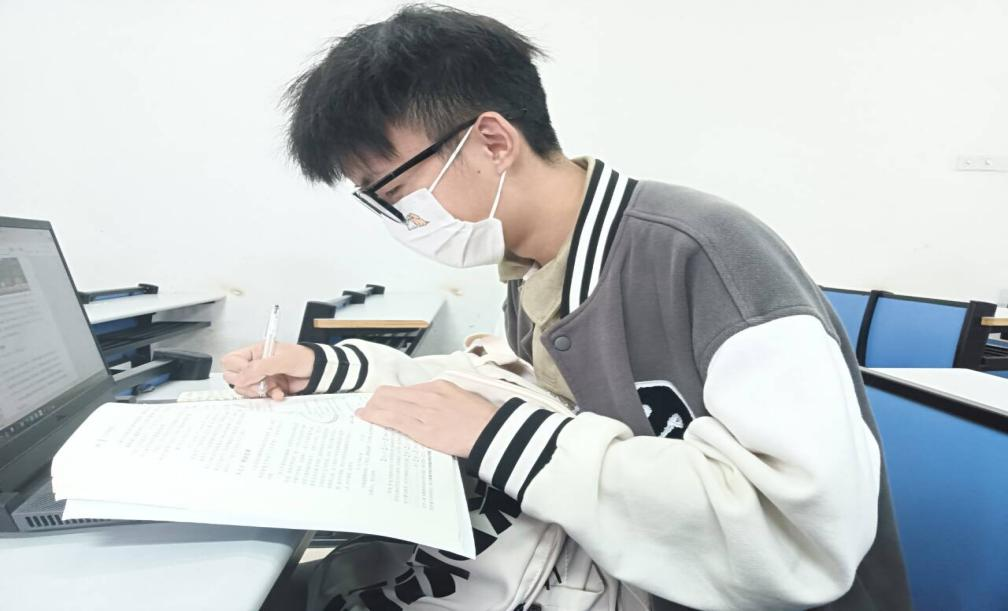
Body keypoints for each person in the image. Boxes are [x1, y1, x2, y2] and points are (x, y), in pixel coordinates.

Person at [223, 5, 910, 610]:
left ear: (493, 143)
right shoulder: (536, 267)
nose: (397, 218)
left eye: (393, 190)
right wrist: (332, 369)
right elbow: (529, 395)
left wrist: (502, 438)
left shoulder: (703, 253)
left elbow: (798, 538)